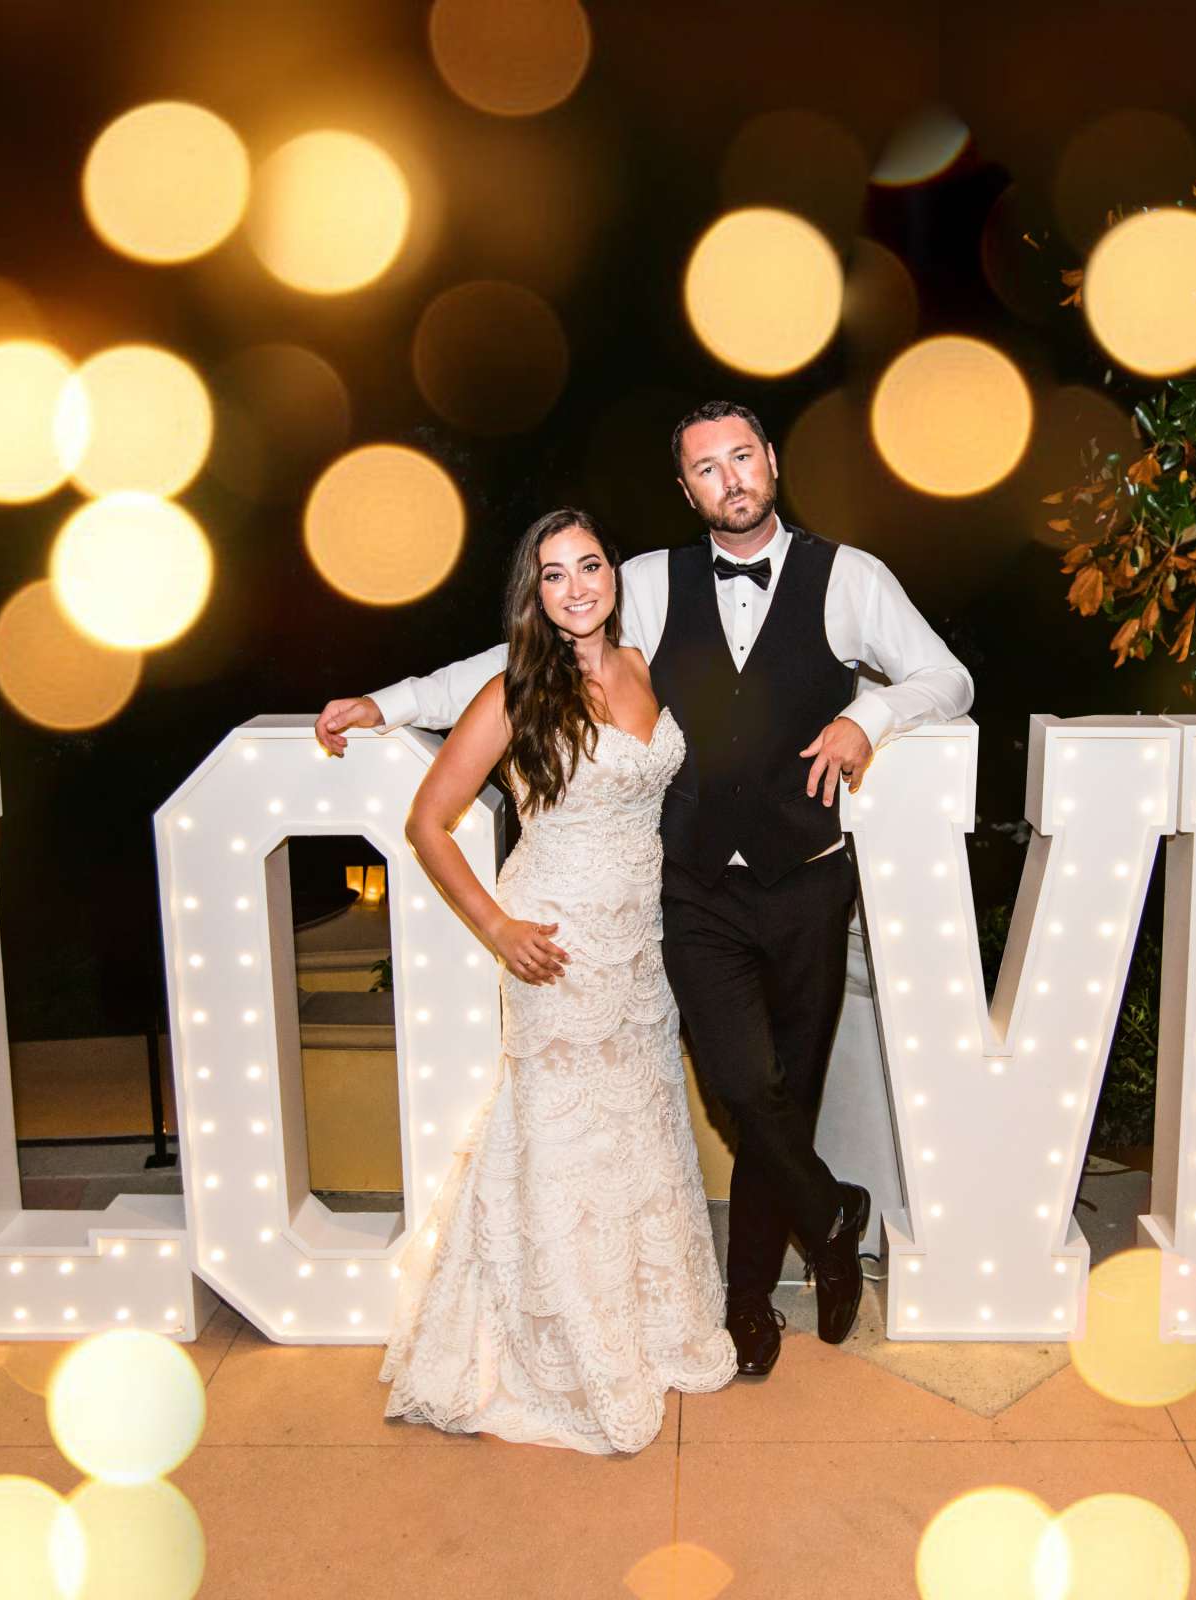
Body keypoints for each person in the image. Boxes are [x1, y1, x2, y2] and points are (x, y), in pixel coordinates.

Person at [328, 400, 974, 1379]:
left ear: (771, 462)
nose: (730, 480)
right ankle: (834, 1211)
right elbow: (515, 660)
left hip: (808, 883)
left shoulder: (851, 579)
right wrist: (393, 700)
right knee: (742, 1083)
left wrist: (872, 714)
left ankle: (749, 1302)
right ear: (686, 488)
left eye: (742, 458)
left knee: (781, 1101)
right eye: (706, 469)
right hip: (694, 894)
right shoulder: (646, 584)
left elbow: (948, 676)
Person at [378, 507, 737, 1454]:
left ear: (613, 573)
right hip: (556, 946)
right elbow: (428, 822)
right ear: (532, 593)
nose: (577, 586)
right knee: (563, 1143)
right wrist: (498, 928)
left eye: (590, 565)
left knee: (638, 1130)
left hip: (636, 949)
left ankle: (650, 1325)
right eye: (554, 574)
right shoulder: (514, 690)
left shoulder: (639, 667)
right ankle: (567, 1348)